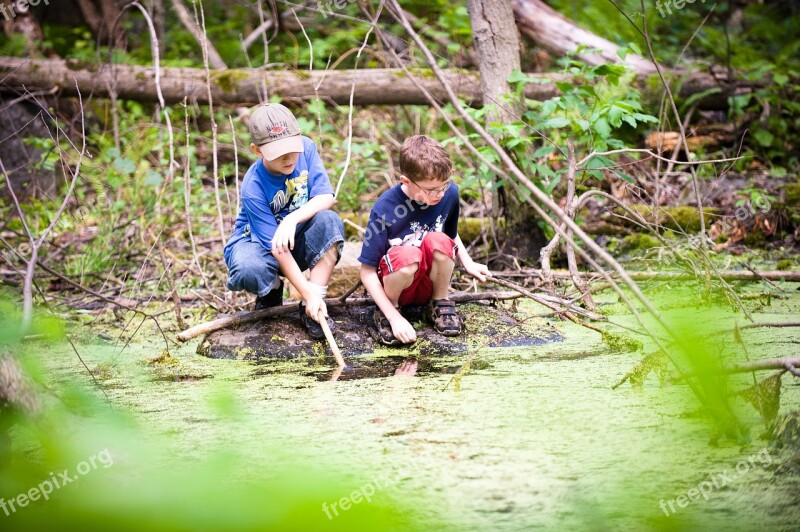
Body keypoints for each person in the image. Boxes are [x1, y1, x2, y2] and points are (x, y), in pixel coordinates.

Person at [224, 103, 344, 339]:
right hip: (258, 246)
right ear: (257, 150)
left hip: (296, 237)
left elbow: (326, 197)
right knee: (249, 268)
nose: (289, 157)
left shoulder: (307, 148)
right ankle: (272, 289)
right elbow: (277, 248)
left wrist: (291, 219)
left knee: (329, 222)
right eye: (279, 153)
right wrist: (304, 292)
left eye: (292, 148)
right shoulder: (253, 186)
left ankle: (314, 306)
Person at [358, 135, 490, 345]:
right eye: (431, 190)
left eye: (444, 186)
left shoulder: (449, 193)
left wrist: (468, 262)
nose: (439, 194)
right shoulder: (385, 209)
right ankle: (388, 312)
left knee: (439, 240)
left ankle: (438, 302)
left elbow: (450, 235)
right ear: (406, 182)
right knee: (408, 255)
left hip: (428, 282)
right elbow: (366, 272)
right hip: (398, 285)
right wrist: (394, 317)